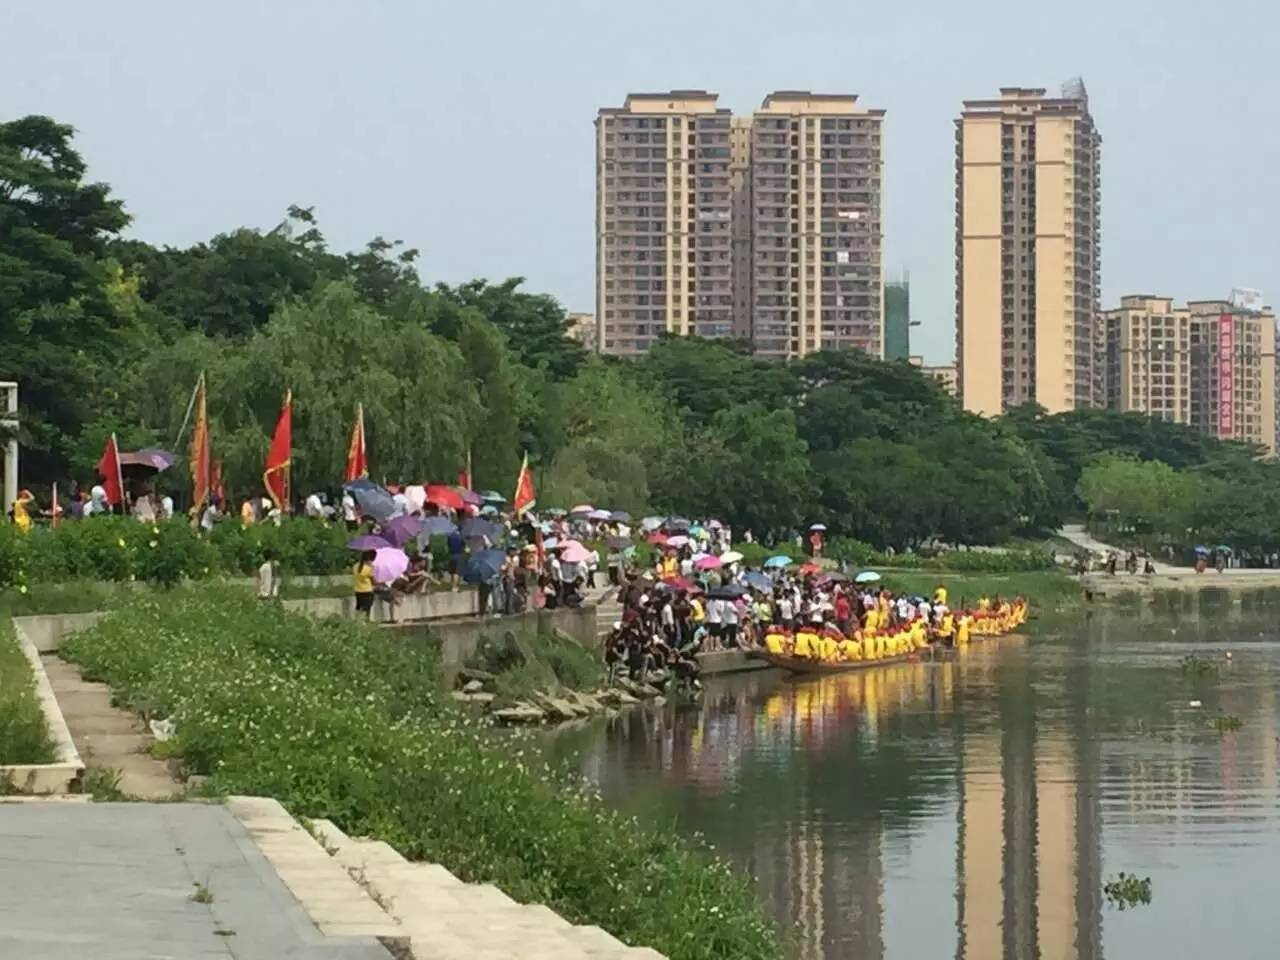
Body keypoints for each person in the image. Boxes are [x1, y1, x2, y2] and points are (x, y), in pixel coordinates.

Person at [353, 550, 376, 618]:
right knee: (367, 608)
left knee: (359, 607)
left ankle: (357, 621)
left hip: (357, 590)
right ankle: (366, 621)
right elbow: (374, 581)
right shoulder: (368, 568)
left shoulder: (355, 566)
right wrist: (372, 568)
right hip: (367, 591)